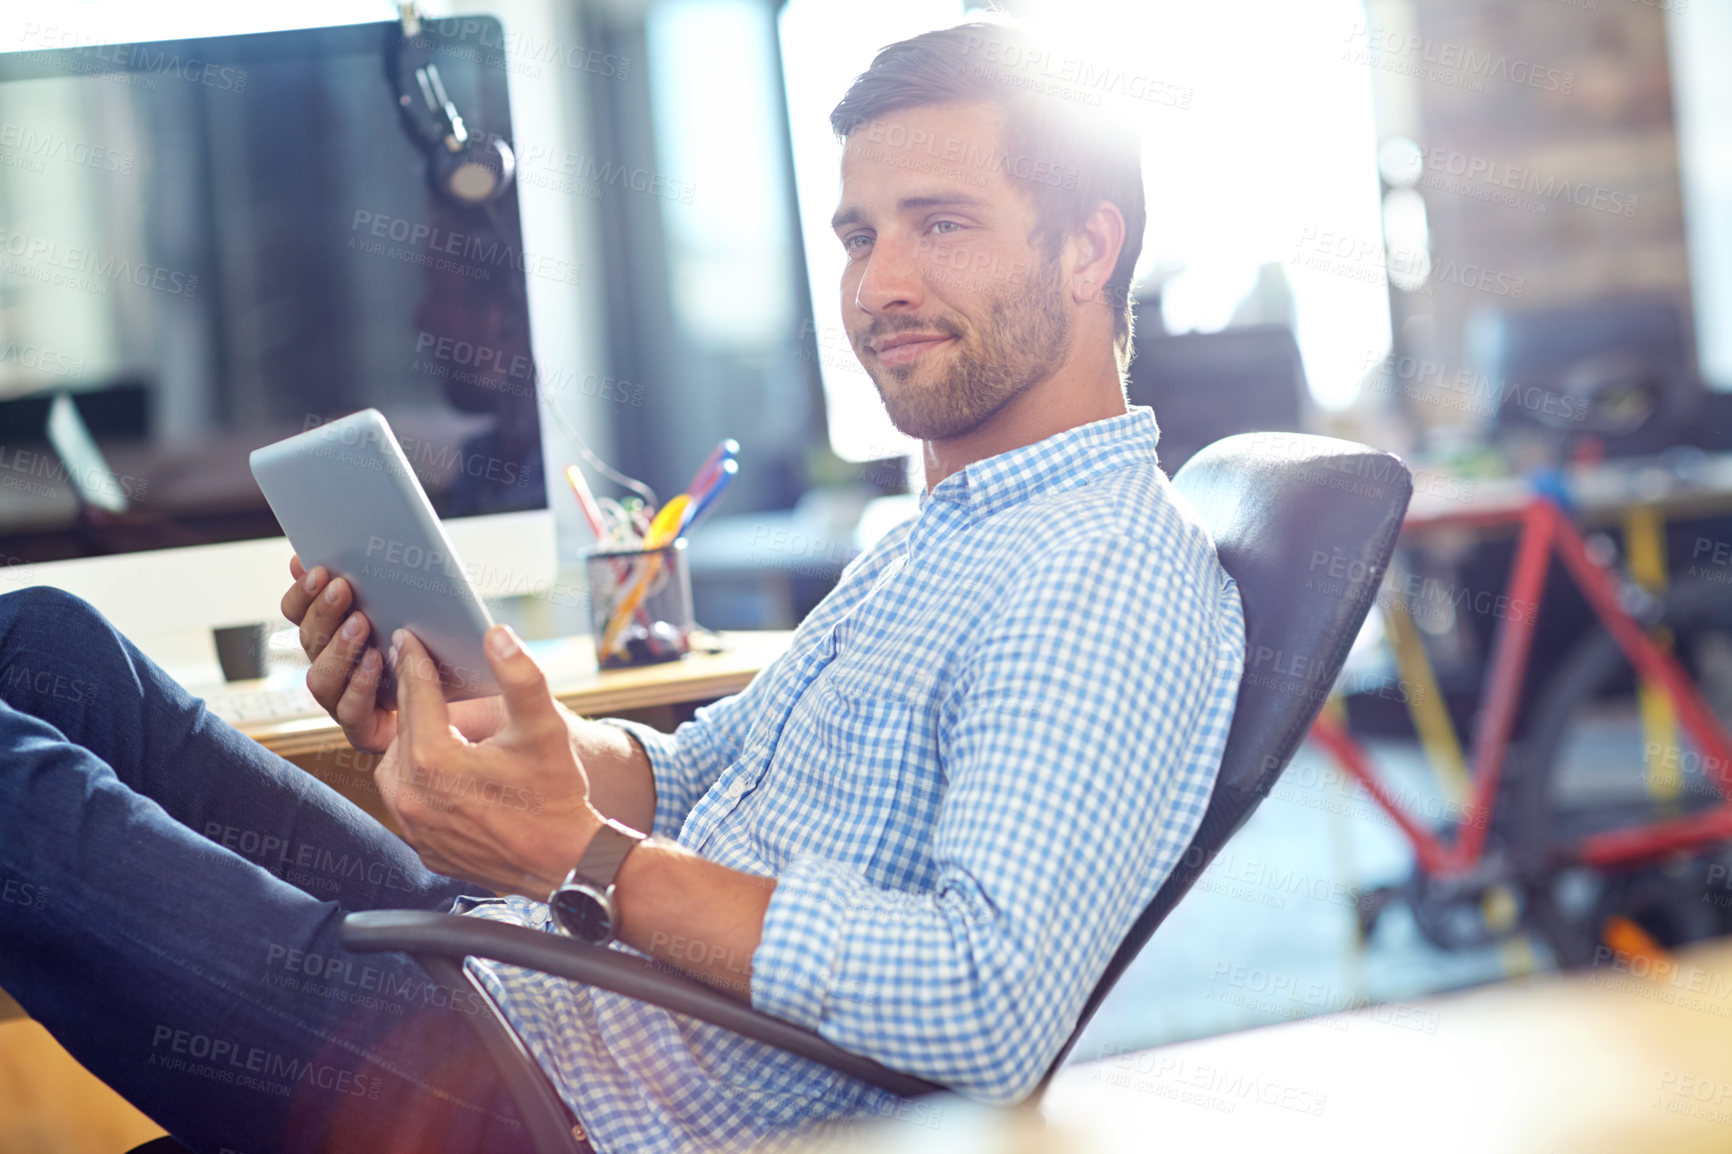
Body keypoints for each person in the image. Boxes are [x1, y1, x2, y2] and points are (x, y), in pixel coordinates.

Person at [0, 19, 1244, 1154]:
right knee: (52, 644)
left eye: (942, 222)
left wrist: (578, 856)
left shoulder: (1102, 570)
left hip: (555, 1105)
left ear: (1088, 246)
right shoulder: (947, 537)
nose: (879, 285)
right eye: (860, 236)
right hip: (533, 982)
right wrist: (498, 729)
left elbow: (983, 999)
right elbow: (693, 774)